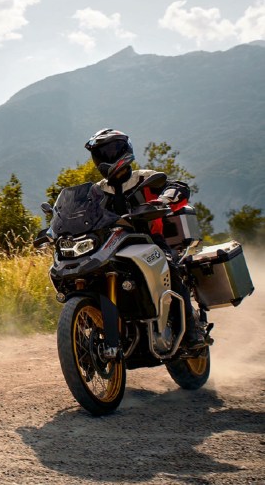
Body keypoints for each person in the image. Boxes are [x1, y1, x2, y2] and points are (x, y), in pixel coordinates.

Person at [84, 128, 208, 349]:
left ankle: (192, 331)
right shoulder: (97, 191)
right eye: (99, 154)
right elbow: (84, 215)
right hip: (111, 246)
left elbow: (178, 187)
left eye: (109, 151)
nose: (104, 158)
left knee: (170, 267)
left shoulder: (144, 178)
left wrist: (165, 199)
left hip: (149, 242)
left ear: (124, 150)